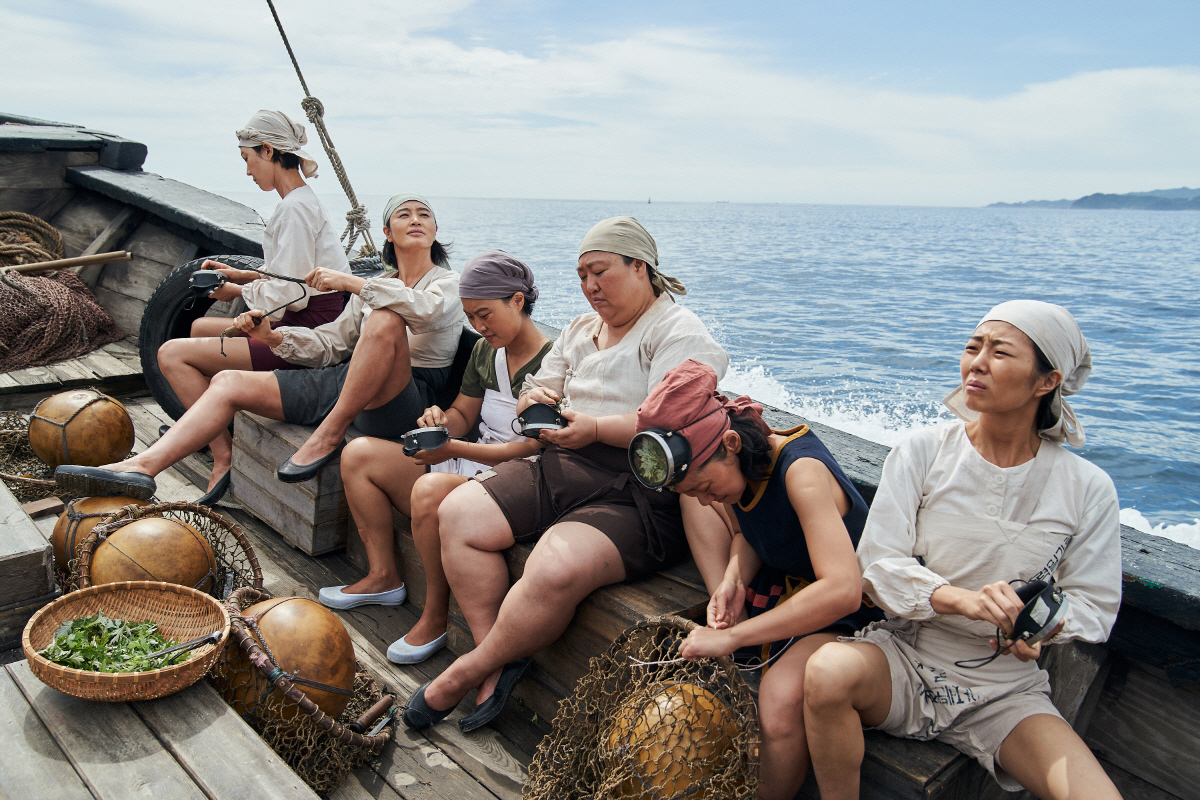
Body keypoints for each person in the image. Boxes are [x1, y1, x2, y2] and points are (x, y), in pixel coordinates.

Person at [401, 216, 729, 733]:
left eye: (600, 271)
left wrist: (595, 426)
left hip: (638, 487)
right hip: (562, 463)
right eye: (581, 275)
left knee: (553, 564)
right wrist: (537, 398)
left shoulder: (677, 331)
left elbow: (671, 422)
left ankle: (469, 669)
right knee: (459, 513)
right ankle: (497, 658)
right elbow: (545, 383)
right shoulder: (581, 328)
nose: (590, 286)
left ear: (639, 267)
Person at [802, 301, 1122, 800]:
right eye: (973, 347)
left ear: (1046, 381)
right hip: (908, 657)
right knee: (826, 672)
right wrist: (958, 599)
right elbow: (878, 565)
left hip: (1006, 688)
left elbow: (1095, 606)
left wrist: (1039, 625)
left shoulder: (1087, 488)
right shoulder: (923, 451)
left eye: (999, 352)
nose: (977, 361)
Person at [55, 194, 463, 505]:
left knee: (386, 318)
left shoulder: (448, 283)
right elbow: (329, 345)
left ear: (435, 229)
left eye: (423, 214)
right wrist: (272, 337)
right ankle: (142, 468)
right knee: (230, 381)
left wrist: (355, 283)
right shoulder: (374, 287)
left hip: (404, 400)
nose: (415, 220)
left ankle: (329, 432)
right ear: (388, 234)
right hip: (348, 382)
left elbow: (424, 313)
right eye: (404, 215)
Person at [627, 359, 880, 800]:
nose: (706, 501)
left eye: (706, 487)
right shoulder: (738, 467)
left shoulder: (799, 473)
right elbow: (747, 531)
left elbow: (842, 588)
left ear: (729, 442)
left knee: (779, 704)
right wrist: (732, 579)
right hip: (797, 588)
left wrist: (731, 637)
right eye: (693, 494)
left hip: (860, 608)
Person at [317, 250, 553, 668]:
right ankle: (383, 577)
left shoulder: (554, 362)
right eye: (471, 318)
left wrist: (452, 449)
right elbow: (465, 414)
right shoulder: (486, 352)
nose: (479, 327)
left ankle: (435, 614)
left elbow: (534, 448)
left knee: (428, 491)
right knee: (358, 455)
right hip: (472, 458)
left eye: (486, 314)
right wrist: (441, 420)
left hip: (516, 478)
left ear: (518, 301)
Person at [153, 110, 349, 455]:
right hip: (303, 317)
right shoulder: (299, 203)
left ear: (268, 151)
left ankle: (221, 453)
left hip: (306, 332)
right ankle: (205, 421)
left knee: (170, 355)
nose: (247, 170)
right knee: (199, 328)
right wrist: (244, 275)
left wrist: (236, 290)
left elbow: (292, 296)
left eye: (248, 158)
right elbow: (295, 274)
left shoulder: (294, 210)